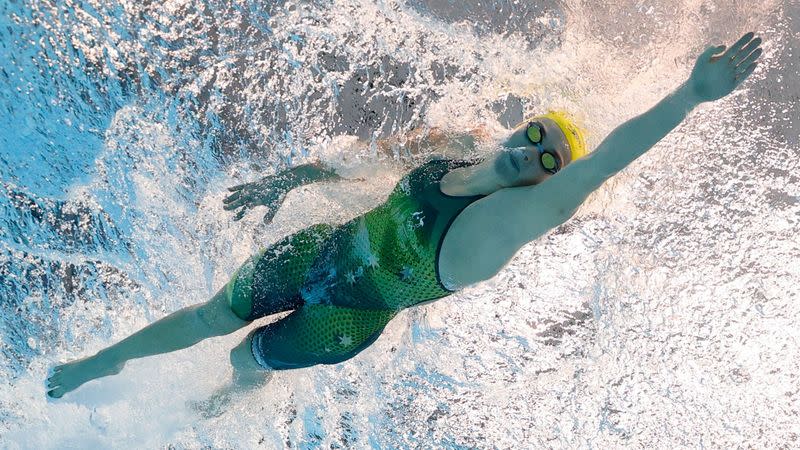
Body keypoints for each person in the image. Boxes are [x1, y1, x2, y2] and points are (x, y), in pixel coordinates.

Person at [46, 33, 762, 409]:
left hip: (345, 321)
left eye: (548, 159)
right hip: (314, 252)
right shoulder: (455, 148)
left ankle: (218, 407)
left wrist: (689, 96)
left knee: (241, 360)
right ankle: (102, 361)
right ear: (520, 126)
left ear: (548, 185)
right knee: (211, 316)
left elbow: (602, 163)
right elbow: (366, 162)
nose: (533, 151)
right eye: (537, 133)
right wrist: (288, 178)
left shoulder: (501, 228)